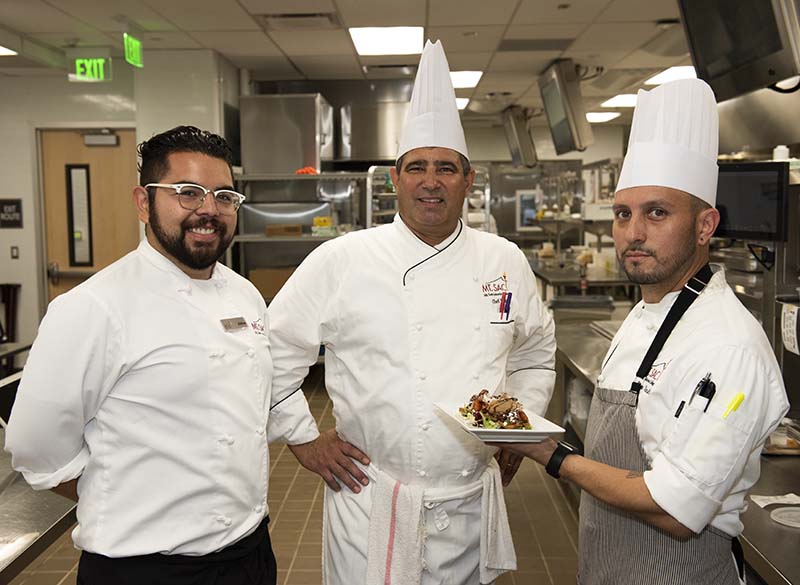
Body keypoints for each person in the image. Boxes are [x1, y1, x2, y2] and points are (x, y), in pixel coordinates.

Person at [265, 40, 557, 585]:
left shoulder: (504, 260)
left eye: (446, 167)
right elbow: (273, 350)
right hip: (371, 500)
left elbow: (536, 354)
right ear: (395, 179)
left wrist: (514, 429)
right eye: (416, 167)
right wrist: (302, 437)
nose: (431, 180)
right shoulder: (343, 259)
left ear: (468, 181)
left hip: (472, 500)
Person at [499, 79, 789, 584]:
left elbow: (677, 510)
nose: (634, 233)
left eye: (658, 213)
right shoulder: (647, 311)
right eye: (623, 214)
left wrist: (548, 451)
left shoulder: (727, 345)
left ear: (705, 226)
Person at [5, 126, 278, 585]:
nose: (209, 210)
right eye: (188, 193)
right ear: (143, 202)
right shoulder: (94, 307)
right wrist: (119, 492)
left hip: (248, 553)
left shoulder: (246, 296)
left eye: (224, 195)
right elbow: (35, 447)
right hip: (144, 566)